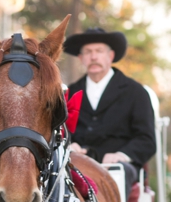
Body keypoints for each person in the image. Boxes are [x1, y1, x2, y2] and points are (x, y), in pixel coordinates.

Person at [63, 27, 156, 189]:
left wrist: (122, 155)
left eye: (99, 51)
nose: (93, 57)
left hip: (119, 168)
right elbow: (61, 131)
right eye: (87, 52)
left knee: (116, 174)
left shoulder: (135, 92)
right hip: (77, 163)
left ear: (110, 56)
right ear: (80, 58)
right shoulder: (69, 93)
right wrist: (70, 145)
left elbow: (146, 139)